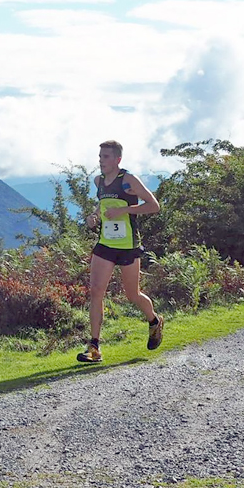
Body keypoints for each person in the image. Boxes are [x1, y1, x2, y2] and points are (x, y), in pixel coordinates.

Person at [79, 140, 164, 363]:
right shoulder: (98, 182)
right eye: (99, 156)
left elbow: (154, 205)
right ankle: (94, 347)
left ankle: (154, 321)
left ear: (117, 159)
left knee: (132, 294)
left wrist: (124, 210)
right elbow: (102, 206)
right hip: (105, 245)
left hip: (128, 246)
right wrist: (94, 217)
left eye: (106, 157)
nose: (101, 160)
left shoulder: (128, 180)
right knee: (96, 291)